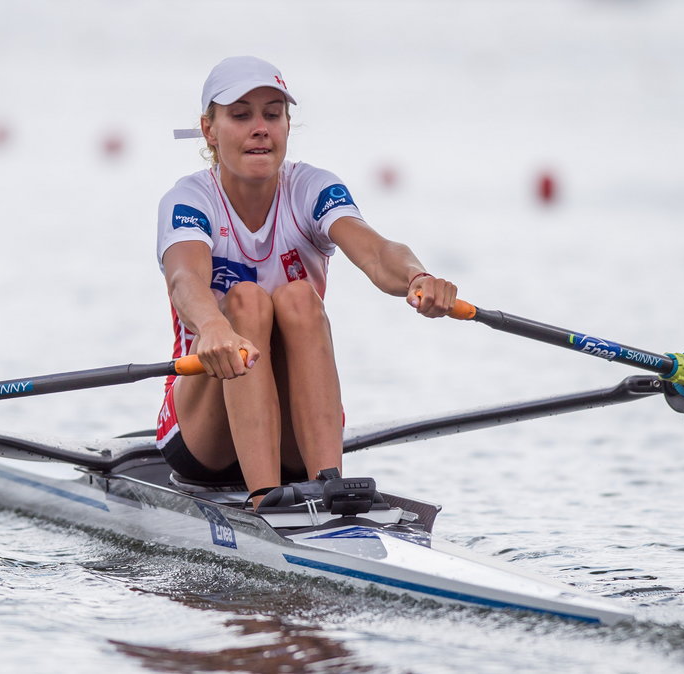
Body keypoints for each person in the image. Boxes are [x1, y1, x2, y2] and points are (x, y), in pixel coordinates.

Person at [155, 56, 458, 507]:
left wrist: (418, 275)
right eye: (241, 115)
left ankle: (328, 485)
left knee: (298, 299)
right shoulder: (190, 199)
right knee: (246, 303)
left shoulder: (311, 188)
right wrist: (213, 328)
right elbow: (184, 279)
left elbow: (376, 252)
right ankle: (263, 500)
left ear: (286, 125)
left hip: (296, 438)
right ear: (209, 130)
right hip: (205, 435)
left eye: (272, 114)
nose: (261, 128)